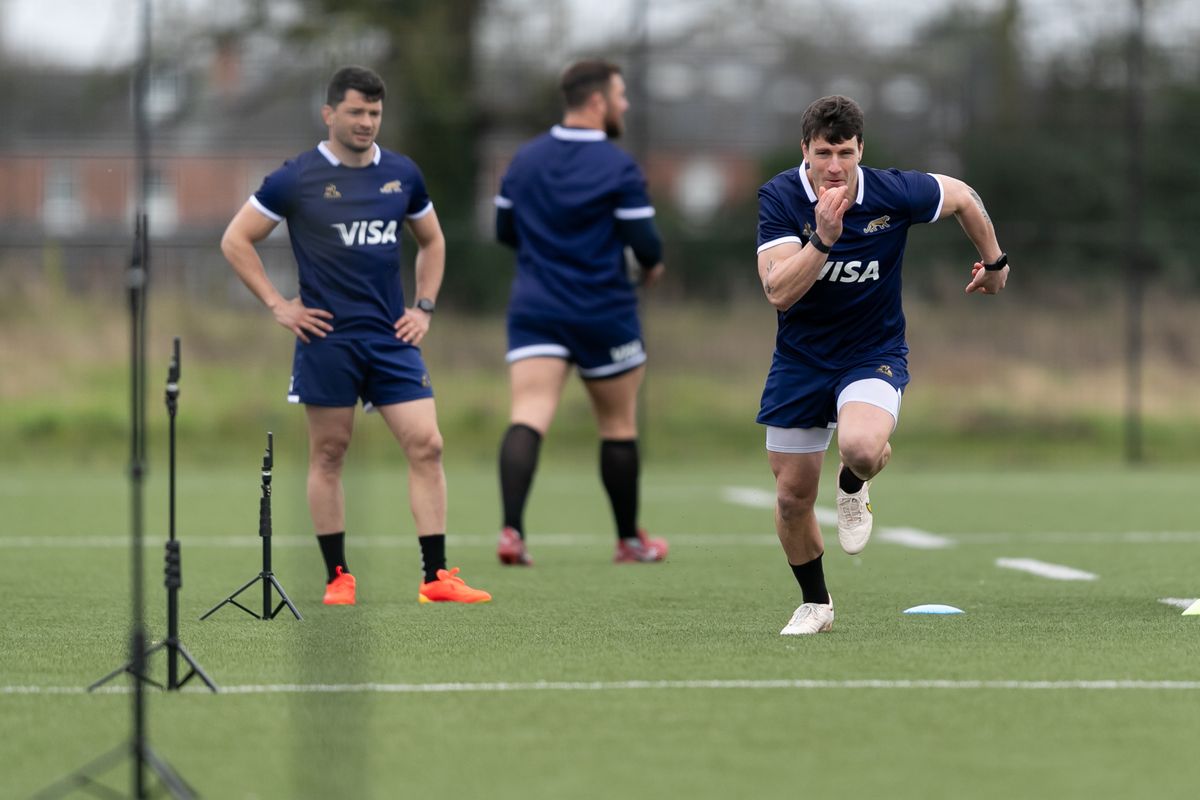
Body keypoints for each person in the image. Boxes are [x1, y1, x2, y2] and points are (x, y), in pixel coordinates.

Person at [220, 65, 490, 606]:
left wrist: (426, 309)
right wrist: (279, 305)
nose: (367, 122)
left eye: (374, 113)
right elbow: (235, 240)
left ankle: (436, 578)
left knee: (428, 444)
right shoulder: (295, 178)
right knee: (330, 453)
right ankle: (337, 576)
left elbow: (432, 243)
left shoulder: (403, 174)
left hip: (392, 340)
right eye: (356, 112)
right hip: (328, 342)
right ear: (329, 114)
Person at [755, 95, 1009, 634]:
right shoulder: (780, 197)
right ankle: (817, 604)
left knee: (863, 449)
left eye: (845, 152)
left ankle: (853, 481)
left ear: (860, 150)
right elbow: (779, 291)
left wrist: (995, 261)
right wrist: (823, 238)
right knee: (791, 496)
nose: (833, 166)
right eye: (822, 152)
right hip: (800, 361)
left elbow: (962, 196)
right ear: (804, 150)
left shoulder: (892, 192)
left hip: (873, 354)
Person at [491, 59, 668, 567]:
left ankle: (512, 532)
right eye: (621, 95)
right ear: (597, 102)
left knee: (528, 413)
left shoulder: (522, 161)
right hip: (603, 308)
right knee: (617, 423)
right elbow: (647, 245)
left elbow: (504, 233)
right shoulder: (618, 167)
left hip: (536, 306)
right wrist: (651, 267)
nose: (625, 104)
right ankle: (628, 542)